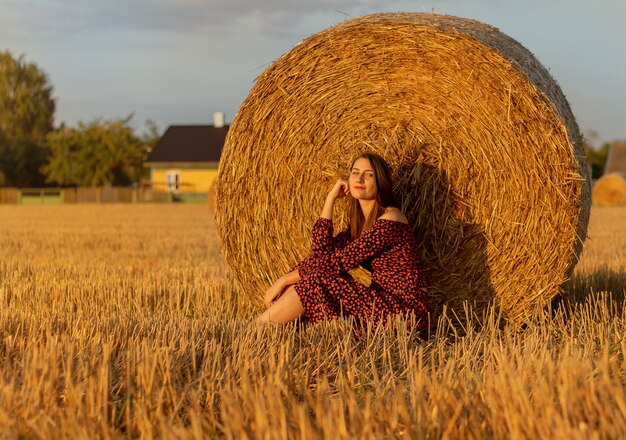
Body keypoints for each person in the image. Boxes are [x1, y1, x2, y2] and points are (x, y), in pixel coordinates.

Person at [258, 152, 429, 334]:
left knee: (315, 280)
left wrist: (283, 280)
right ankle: (267, 330)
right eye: (355, 173)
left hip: (404, 314)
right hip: (378, 307)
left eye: (369, 174)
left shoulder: (391, 219)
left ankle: (257, 329)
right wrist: (330, 199)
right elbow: (321, 253)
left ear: (381, 183)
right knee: (311, 274)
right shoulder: (359, 228)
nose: (360, 178)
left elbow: (340, 262)